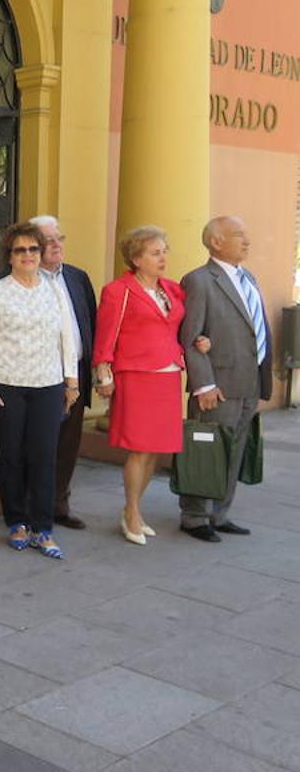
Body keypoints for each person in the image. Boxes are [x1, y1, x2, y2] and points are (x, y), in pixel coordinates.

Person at [0, 222, 79, 559]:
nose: (28, 255)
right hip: (7, 385)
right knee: (11, 456)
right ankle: (16, 521)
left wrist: (71, 381)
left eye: (33, 249)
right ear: (10, 255)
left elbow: (67, 336)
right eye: (20, 250)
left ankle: (43, 527)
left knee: (43, 457)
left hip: (48, 385)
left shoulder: (54, 290)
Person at [177, 216, 272, 542]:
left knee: (234, 451)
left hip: (248, 382)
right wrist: (204, 383)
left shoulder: (248, 278)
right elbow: (191, 337)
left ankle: (219, 513)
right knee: (207, 451)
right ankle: (194, 516)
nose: (247, 241)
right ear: (216, 241)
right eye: (238, 235)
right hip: (216, 386)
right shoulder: (199, 280)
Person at [91, 226, 187, 545]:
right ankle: (131, 512)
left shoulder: (172, 290)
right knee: (138, 447)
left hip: (169, 373)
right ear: (136, 258)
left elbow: (180, 327)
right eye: (155, 252)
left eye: (164, 251)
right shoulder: (119, 290)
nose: (163, 257)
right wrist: (103, 373)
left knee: (155, 449)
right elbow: (107, 334)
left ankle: (135, 509)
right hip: (136, 374)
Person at [32, 215, 97, 530]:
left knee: (68, 445)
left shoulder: (77, 277)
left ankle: (59, 504)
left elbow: (90, 323)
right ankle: (32, 508)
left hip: (76, 375)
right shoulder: (22, 279)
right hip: (40, 376)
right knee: (39, 445)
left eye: (59, 237)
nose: (56, 244)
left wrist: (96, 372)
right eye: (48, 239)